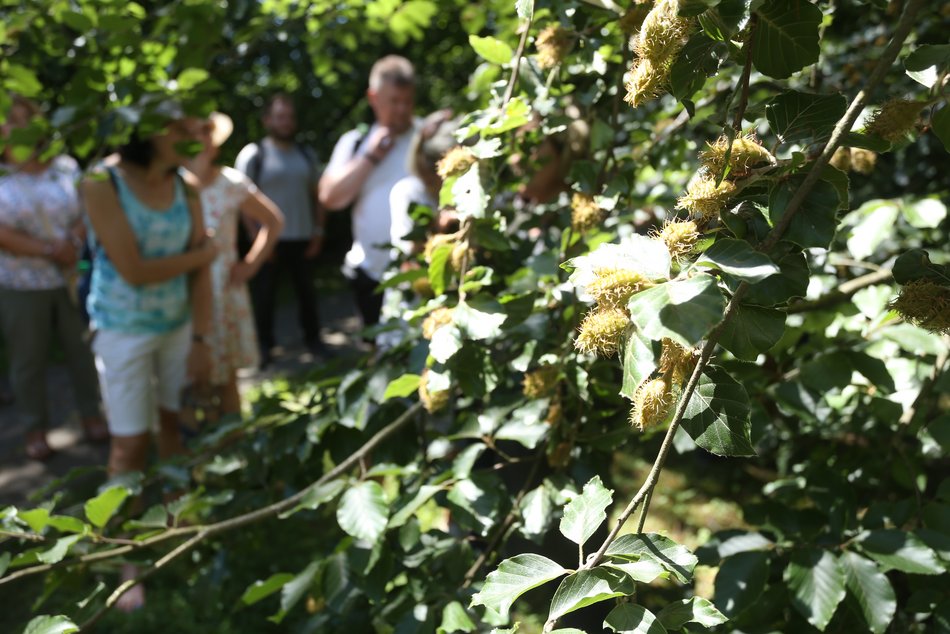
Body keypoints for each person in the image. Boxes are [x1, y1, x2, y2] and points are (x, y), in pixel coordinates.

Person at [81, 108, 216, 611]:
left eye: (191, 126)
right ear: (145, 131)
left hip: (178, 328)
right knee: (129, 446)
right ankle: (127, 560)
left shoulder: (188, 185)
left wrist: (202, 339)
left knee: (173, 430)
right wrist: (203, 255)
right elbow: (134, 271)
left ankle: (176, 535)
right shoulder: (101, 182)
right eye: (177, 127)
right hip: (122, 333)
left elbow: (200, 277)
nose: (190, 135)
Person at [0, 95, 108, 461]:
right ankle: (35, 428)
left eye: (25, 118)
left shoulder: (64, 167)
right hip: (21, 284)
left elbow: (87, 208)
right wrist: (47, 250)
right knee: (28, 359)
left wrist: (73, 241)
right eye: (10, 120)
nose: (18, 127)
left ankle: (92, 414)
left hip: (70, 278)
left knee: (82, 348)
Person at [187, 112, 284, 415]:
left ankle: (233, 447)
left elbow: (273, 221)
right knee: (190, 381)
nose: (200, 141)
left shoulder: (230, 182)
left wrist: (250, 265)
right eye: (192, 134)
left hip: (224, 290)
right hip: (184, 291)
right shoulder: (171, 185)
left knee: (226, 379)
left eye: (206, 133)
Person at [319, 55, 419, 332]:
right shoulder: (355, 142)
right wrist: (371, 157)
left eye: (407, 101)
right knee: (379, 357)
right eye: (393, 101)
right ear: (373, 98)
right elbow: (329, 198)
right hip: (371, 274)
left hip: (420, 273)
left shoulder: (427, 136)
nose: (401, 110)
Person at [234, 94, 328, 367]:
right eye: (280, 117)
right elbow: (241, 202)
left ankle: (314, 341)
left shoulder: (305, 155)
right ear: (267, 120)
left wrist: (319, 232)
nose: (286, 123)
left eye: (290, 117)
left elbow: (318, 195)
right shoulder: (254, 155)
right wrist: (256, 239)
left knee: (307, 294)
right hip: (267, 241)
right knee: (265, 297)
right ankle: (264, 347)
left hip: (303, 237)